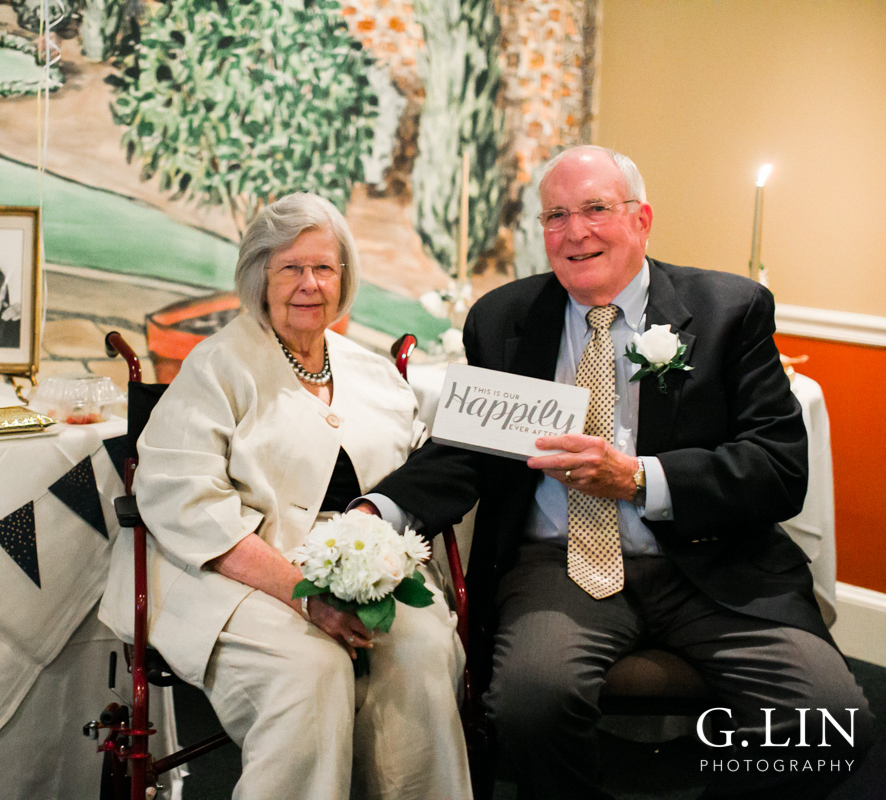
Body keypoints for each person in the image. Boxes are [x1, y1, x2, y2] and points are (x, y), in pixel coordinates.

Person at [357, 146, 874, 798]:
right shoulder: (504, 319)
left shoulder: (728, 311)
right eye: (556, 216)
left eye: (596, 209)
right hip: (559, 564)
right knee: (529, 706)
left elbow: (777, 468)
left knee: (829, 722)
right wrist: (378, 513)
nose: (575, 232)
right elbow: (463, 450)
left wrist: (639, 479)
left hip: (715, 568)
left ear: (641, 219)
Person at [98, 193, 472, 799]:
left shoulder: (371, 372)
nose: (309, 284)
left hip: (358, 571)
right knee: (312, 669)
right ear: (259, 278)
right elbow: (187, 507)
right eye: (290, 268)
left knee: (424, 651)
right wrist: (309, 600)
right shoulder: (218, 366)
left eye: (324, 267)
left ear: (343, 277)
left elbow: (418, 471)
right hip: (233, 569)